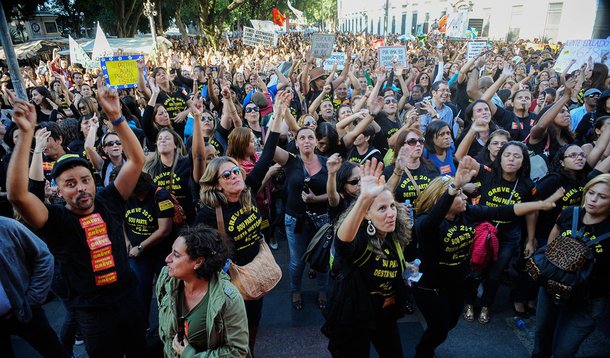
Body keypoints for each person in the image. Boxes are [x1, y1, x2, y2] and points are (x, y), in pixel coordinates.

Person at [6, 81, 147, 357]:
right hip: (92, 314)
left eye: (85, 180)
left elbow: (136, 161)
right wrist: (26, 135)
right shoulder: (55, 219)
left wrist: (116, 118)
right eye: (70, 184)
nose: (81, 187)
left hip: (128, 300)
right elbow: (17, 196)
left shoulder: (109, 199)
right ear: (58, 189)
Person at [413, 156, 563, 358]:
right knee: (438, 328)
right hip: (430, 287)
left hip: (456, 282)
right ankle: (423, 352)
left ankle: (428, 345)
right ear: (441, 198)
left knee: (450, 323)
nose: (465, 197)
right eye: (459, 195)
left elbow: (504, 210)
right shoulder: (425, 222)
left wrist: (539, 204)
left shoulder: (466, 213)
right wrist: (453, 186)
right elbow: (433, 221)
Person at [196, 91, 285, 353]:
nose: (235, 176)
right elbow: (198, 252)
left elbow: (267, 154)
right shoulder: (209, 212)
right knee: (232, 326)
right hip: (229, 279)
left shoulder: (248, 189)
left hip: (255, 271)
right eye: (227, 175)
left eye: (236, 171)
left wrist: (278, 112)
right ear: (216, 183)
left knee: (254, 320)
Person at [324, 158, 412, 357]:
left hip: (384, 315)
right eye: (382, 209)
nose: (391, 214)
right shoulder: (359, 240)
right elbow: (342, 244)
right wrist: (363, 199)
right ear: (367, 215)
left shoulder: (392, 235)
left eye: (392, 206)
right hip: (355, 316)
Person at [533, 174, 610, 358]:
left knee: (564, 351)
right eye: (591, 193)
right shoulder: (570, 213)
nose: (593, 199)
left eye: (603, 197)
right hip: (554, 287)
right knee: (541, 339)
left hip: (588, 300)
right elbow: (553, 239)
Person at [156, 225, 250, 358]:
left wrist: (190, 355)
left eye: (176, 255)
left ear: (198, 262)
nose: (167, 259)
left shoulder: (229, 298)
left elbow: (237, 351)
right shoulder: (166, 278)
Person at [0, 217, 64, 358]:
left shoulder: (6, 226)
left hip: (26, 309)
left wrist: (33, 299)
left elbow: (43, 257)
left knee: (54, 352)